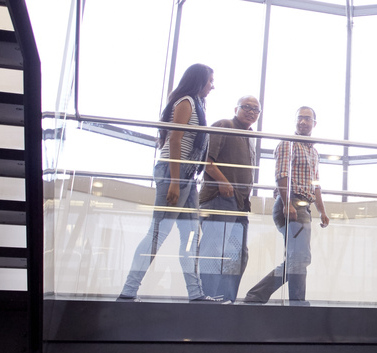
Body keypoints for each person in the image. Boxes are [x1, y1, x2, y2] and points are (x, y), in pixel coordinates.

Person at [117, 63, 225, 303]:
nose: (212, 86)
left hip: (188, 177)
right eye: (210, 81)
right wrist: (175, 181)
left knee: (190, 235)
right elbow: (175, 140)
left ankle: (196, 294)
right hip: (174, 173)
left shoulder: (197, 105)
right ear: (199, 80)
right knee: (158, 234)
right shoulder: (186, 102)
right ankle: (128, 292)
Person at [243, 106, 330, 305]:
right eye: (300, 118)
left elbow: (316, 184)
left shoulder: (314, 152)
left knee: (298, 258)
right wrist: (287, 203)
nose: (303, 122)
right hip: (291, 203)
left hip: (304, 206)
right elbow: (281, 174)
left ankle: (276, 299)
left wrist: (322, 211)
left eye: (307, 119)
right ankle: (278, 300)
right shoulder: (287, 144)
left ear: (314, 123)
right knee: (300, 258)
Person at [197, 95, 261, 302]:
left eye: (256, 109)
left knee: (238, 255)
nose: (251, 111)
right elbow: (206, 161)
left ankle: (227, 300)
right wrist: (224, 183)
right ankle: (208, 298)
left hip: (240, 204)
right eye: (246, 107)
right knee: (214, 250)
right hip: (219, 198)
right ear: (236, 109)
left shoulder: (250, 137)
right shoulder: (224, 125)